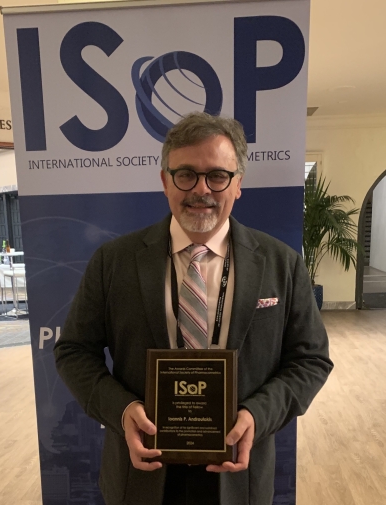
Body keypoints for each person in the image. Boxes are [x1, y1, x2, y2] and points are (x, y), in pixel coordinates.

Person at [54, 112, 333, 505]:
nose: (201, 189)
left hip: (238, 474)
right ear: (165, 180)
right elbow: (73, 352)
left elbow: (311, 360)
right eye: (186, 174)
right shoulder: (113, 261)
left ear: (238, 184)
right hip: (142, 473)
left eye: (217, 176)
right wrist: (121, 410)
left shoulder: (281, 264)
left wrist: (258, 415)